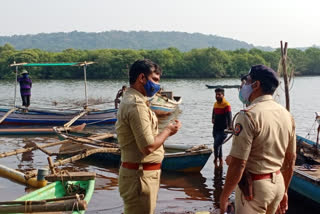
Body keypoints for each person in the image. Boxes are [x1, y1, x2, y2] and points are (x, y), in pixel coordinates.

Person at [219, 65, 296, 214]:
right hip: (278, 183)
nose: (243, 85)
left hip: (255, 189)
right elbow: (291, 159)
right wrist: (284, 190)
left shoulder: (248, 115)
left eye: (247, 81)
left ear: (256, 85)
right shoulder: (286, 115)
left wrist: (224, 197)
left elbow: (238, 163)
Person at [116, 59, 182, 214]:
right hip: (140, 178)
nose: (158, 85)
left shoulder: (138, 101)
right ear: (141, 78)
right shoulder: (136, 105)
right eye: (155, 80)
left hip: (142, 175)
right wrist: (168, 131)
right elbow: (148, 147)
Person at [211, 88, 232, 167]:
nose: (217, 96)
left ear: (223, 95)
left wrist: (230, 126)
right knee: (219, 145)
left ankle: (216, 160)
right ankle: (220, 160)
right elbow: (213, 112)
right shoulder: (215, 104)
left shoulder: (226, 105)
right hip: (215, 128)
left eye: (219, 94)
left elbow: (229, 116)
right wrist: (212, 118)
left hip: (223, 129)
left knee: (216, 145)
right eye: (216, 94)